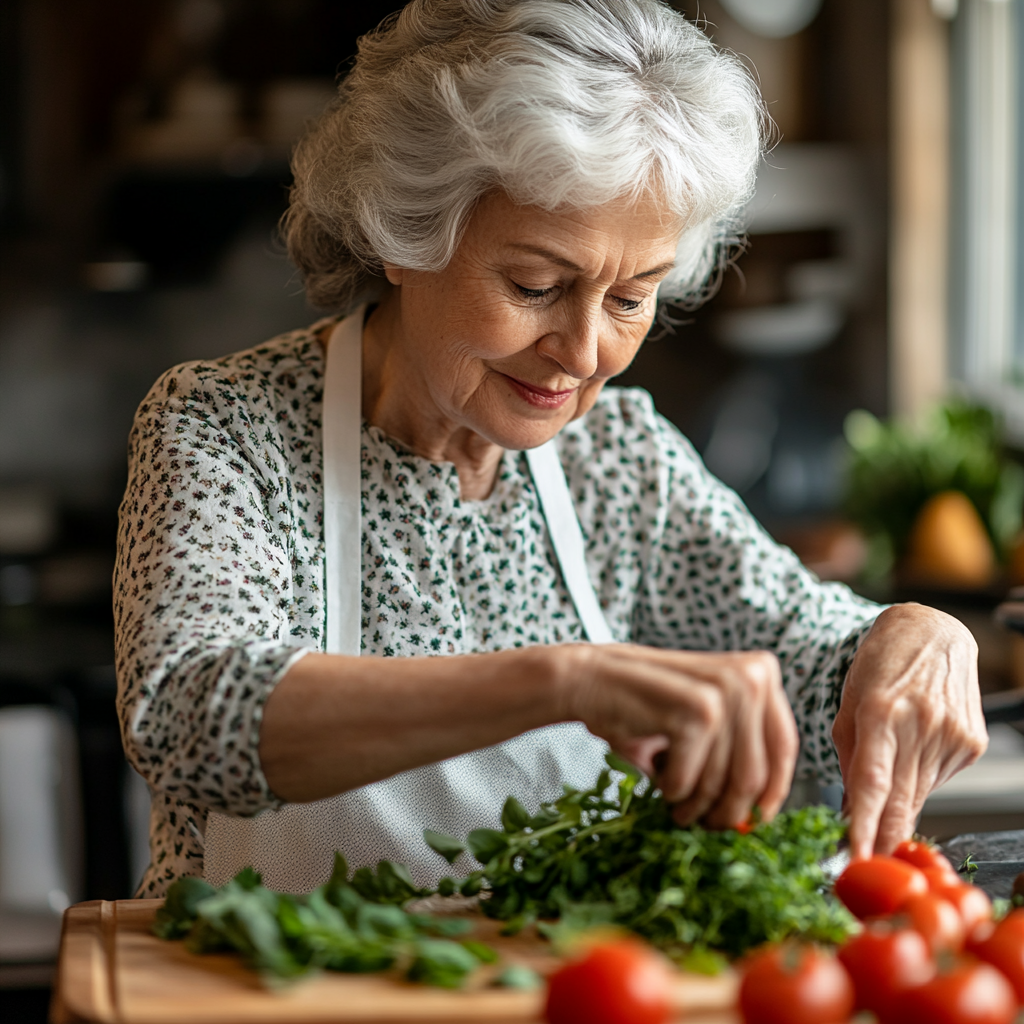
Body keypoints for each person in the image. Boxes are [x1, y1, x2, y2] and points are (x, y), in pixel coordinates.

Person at [115, 0, 985, 897]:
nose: (582, 353)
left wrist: (912, 634)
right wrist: (564, 681)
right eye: (536, 285)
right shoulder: (225, 427)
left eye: (629, 297)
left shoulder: (618, 460)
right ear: (404, 235)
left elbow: (806, 656)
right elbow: (191, 723)